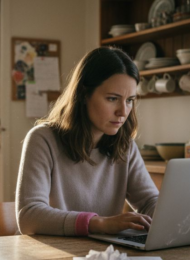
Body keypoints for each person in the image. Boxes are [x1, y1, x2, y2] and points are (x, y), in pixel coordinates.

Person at [16, 46, 159, 236]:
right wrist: (98, 224)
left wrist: (170, 216)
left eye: (129, 100)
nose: (123, 112)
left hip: (103, 257)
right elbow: (29, 217)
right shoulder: (42, 139)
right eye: (112, 98)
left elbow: (149, 201)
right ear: (84, 95)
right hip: (48, 255)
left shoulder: (125, 146)